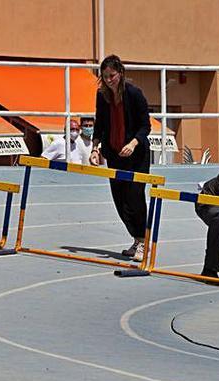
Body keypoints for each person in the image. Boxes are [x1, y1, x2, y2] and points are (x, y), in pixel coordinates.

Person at [89, 55, 152, 262]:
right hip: (114, 155)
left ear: (121, 73)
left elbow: (145, 126)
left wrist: (133, 143)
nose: (108, 80)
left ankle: (144, 242)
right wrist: (95, 148)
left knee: (135, 198)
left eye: (112, 76)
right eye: (105, 76)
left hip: (136, 156)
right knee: (120, 201)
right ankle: (136, 239)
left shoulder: (134, 94)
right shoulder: (102, 96)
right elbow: (100, 124)